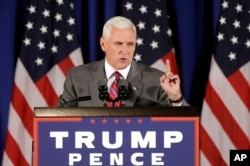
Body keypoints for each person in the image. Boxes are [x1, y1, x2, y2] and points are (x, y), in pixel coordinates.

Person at [58, 16, 189, 107]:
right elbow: (58, 121)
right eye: (119, 44)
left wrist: (175, 97)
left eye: (130, 44)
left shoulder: (157, 80)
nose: (125, 50)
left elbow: (183, 126)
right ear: (103, 44)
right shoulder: (77, 77)